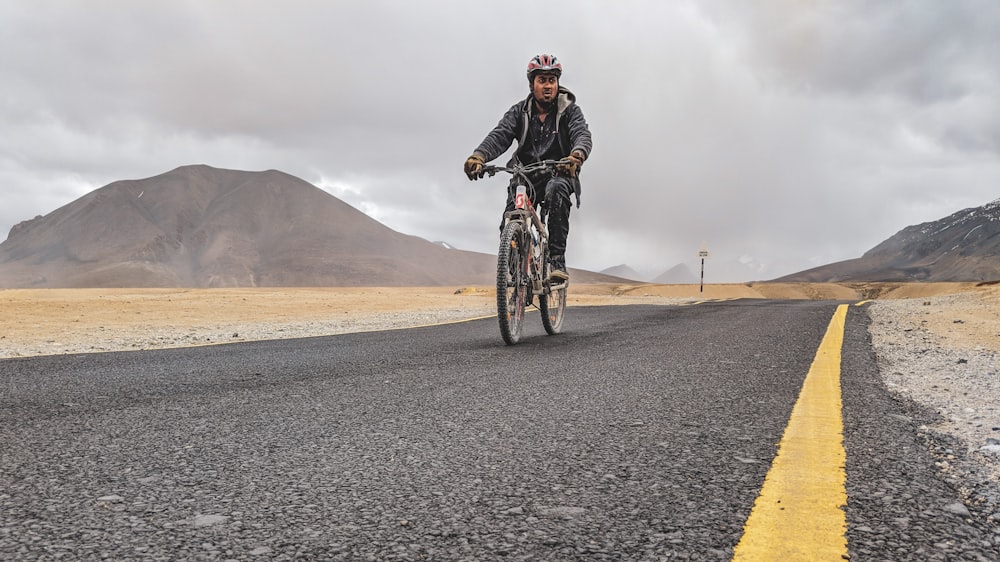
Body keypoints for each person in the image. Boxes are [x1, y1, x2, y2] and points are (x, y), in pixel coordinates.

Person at [464, 54, 593, 282]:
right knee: (510, 217)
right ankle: (514, 269)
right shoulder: (519, 112)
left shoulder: (569, 111)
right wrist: (479, 156)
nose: (547, 86)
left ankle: (556, 259)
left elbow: (581, 134)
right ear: (532, 83)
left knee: (557, 191)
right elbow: (500, 135)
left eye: (552, 80)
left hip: (558, 172)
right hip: (526, 175)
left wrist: (576, 155)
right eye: (542, 80)